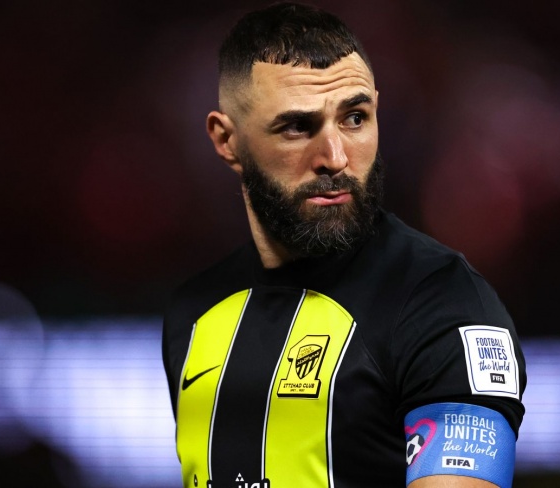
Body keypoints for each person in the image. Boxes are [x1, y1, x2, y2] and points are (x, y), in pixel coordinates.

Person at [162, 3, 526, 487]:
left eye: (355, 118)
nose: (335, 157)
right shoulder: (193, 313)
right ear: (227, 140)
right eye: (297, 126)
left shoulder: (443, 305)